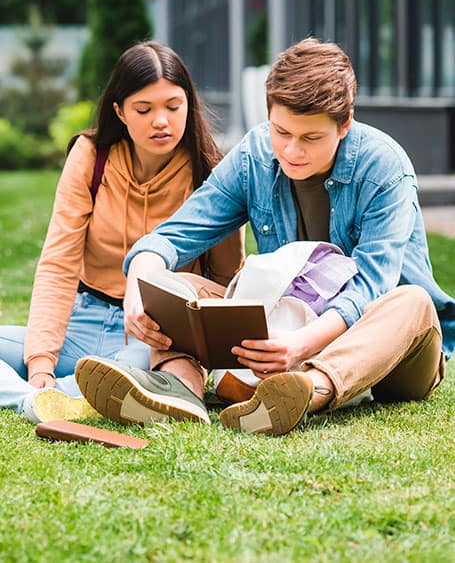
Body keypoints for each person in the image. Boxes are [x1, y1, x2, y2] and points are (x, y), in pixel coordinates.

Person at [75, 37, 454, 436]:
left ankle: (308, 391)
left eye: (310, 138)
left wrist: (302, 347)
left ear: (344, 125)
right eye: (281, 131)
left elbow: (370, 287)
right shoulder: (255, 155)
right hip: (285, 333)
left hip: (390, 349)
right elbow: (174, 235)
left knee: (411, 300)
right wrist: (139, 282)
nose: (292, 151)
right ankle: (179, 389)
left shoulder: (384, 166)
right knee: (171, 283)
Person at [0, 40, 244, 423]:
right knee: (54, 368)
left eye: (173, 106)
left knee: (133, 379)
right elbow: (58, 264)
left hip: (153, 335)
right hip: (83, 318)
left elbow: (227, 279)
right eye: (143, 109)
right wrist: (42, 364)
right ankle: (38, 398)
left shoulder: (211, 173)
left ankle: (70, 394)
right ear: (120, 111)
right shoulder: (90, 156)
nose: (160, 121)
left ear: (189, 105)